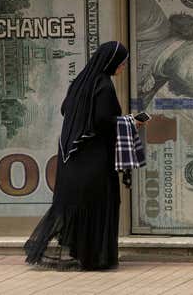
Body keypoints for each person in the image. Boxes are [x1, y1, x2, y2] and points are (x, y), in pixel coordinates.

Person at [24, 41, 135, 271]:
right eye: (122, 63)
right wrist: (131, 121)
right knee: (98, 204)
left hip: (71, 158)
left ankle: (80, 253)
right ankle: (95, 257)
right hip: (93, 159)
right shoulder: (103, 85)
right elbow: (104, 121)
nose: (123, 68)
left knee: (76, 205)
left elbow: (66, 109)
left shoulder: (81, 82)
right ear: (112, 62)